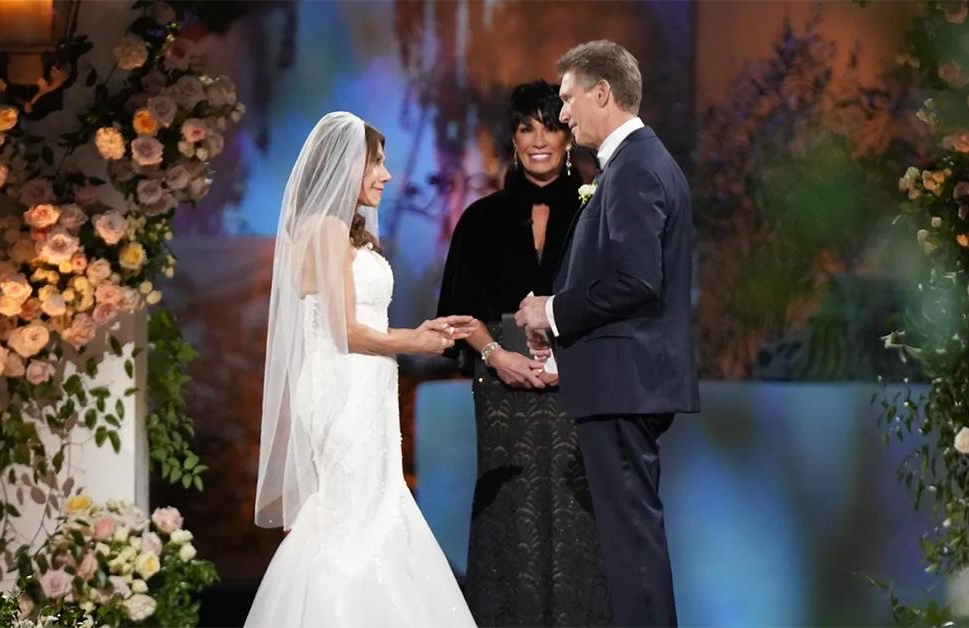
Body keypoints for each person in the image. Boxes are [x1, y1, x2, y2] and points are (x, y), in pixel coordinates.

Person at [247, 112, 478, 627]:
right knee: (349, 523)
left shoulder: (342, 232)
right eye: (377, 162)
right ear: (346, 167)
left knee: (374, 511)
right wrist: (412, 340)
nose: (387, 175)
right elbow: (341, 329)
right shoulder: (325, 228)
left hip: (366, 387)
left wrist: (415, 335)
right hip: (343, 390)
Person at [515, 41, 700, 628]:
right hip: (625, 381)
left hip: (626, 384)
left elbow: (637, 279)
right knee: (630, 542)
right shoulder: (632, 165)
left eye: (568, 100)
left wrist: (551, 312)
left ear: (602, 93)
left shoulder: (637, 166)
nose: (563, 115)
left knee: (632, 545)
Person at [437, 80, 611, 627]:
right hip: (501, 394)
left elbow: (618, 305)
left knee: (577, 528)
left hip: (577, 393)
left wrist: (571, 362)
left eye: (551, 127)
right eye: (525, 128)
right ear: (512, 140)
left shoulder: (597, 212)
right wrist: (496, 355)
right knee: (508, 527)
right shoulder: (479, 220)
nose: (539, 140)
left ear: (568, 136)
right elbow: (457, 316)